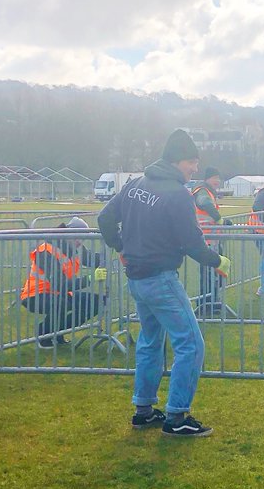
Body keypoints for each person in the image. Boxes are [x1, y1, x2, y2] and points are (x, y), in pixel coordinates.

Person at [98, 129, 231, 438]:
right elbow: (191, 243)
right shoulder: (177, 195)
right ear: (176, 161)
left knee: (150, 341)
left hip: (137, 278)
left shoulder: (134, 186)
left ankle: (143, 411)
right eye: (191, 162)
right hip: (160, 279)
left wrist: (121, 248)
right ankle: (176, 417)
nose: (195, 169)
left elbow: (105, 218)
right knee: (191, 344)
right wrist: (218, 261)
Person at [19, 216, 105, 348]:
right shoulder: (46, 250)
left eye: (82, 238)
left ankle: (57, 332)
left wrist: (110, 250)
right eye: (77, 237)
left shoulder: (75, 248)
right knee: (61, 304)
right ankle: (44, 336)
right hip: (35, 295)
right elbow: (60, 284)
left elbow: (92, 260)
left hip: (60, 294)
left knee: (97, 301)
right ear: (67, 233)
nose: (79, 241)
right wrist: (89, 278)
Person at [191, 167, 228, 317]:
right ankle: (206, 304)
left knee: (212, 273)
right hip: (205, 240)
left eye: (219, 178)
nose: (217, 181)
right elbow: (204, 203)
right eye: (214, 178)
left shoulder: (208, 191)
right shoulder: (202, 191)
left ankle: (212, 301)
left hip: (211, 239)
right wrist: (218, 217)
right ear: (207, 179)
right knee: (208, 273)